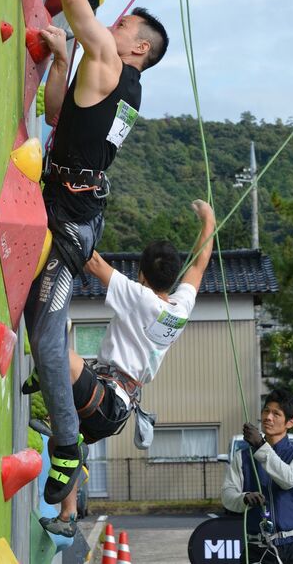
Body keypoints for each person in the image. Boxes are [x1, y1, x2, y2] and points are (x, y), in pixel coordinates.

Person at [24, 0, 169, 507]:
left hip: (69, 223)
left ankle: (65, 444)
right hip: (73, 206)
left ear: (136, 47)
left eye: (122, 27)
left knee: (47, 332)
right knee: (43, 328)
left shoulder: (110, 58)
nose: (109, 29)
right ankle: (63, 436)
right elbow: (61, 116)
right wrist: (60, 62)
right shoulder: (119, 84)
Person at [33, 199, 216, 536]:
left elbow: (95, 263)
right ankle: (68, 516)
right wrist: (209, 220)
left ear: (141, 274)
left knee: (59, 352)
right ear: (172, 277)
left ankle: (42, 380)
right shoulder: (180, 308)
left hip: (108, 397)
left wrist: (63, 222)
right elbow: (202, 262)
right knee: (60, 440)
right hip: (117, 407)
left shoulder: (140, 296)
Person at [221, 388, 293, 564]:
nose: (268, 417)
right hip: (257, 549)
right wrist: (244, 498)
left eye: (276, 414)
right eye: (266, 411)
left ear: (290, 422)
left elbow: (288, 479)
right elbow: (227, 497)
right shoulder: (242, 457)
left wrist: (260, 445)